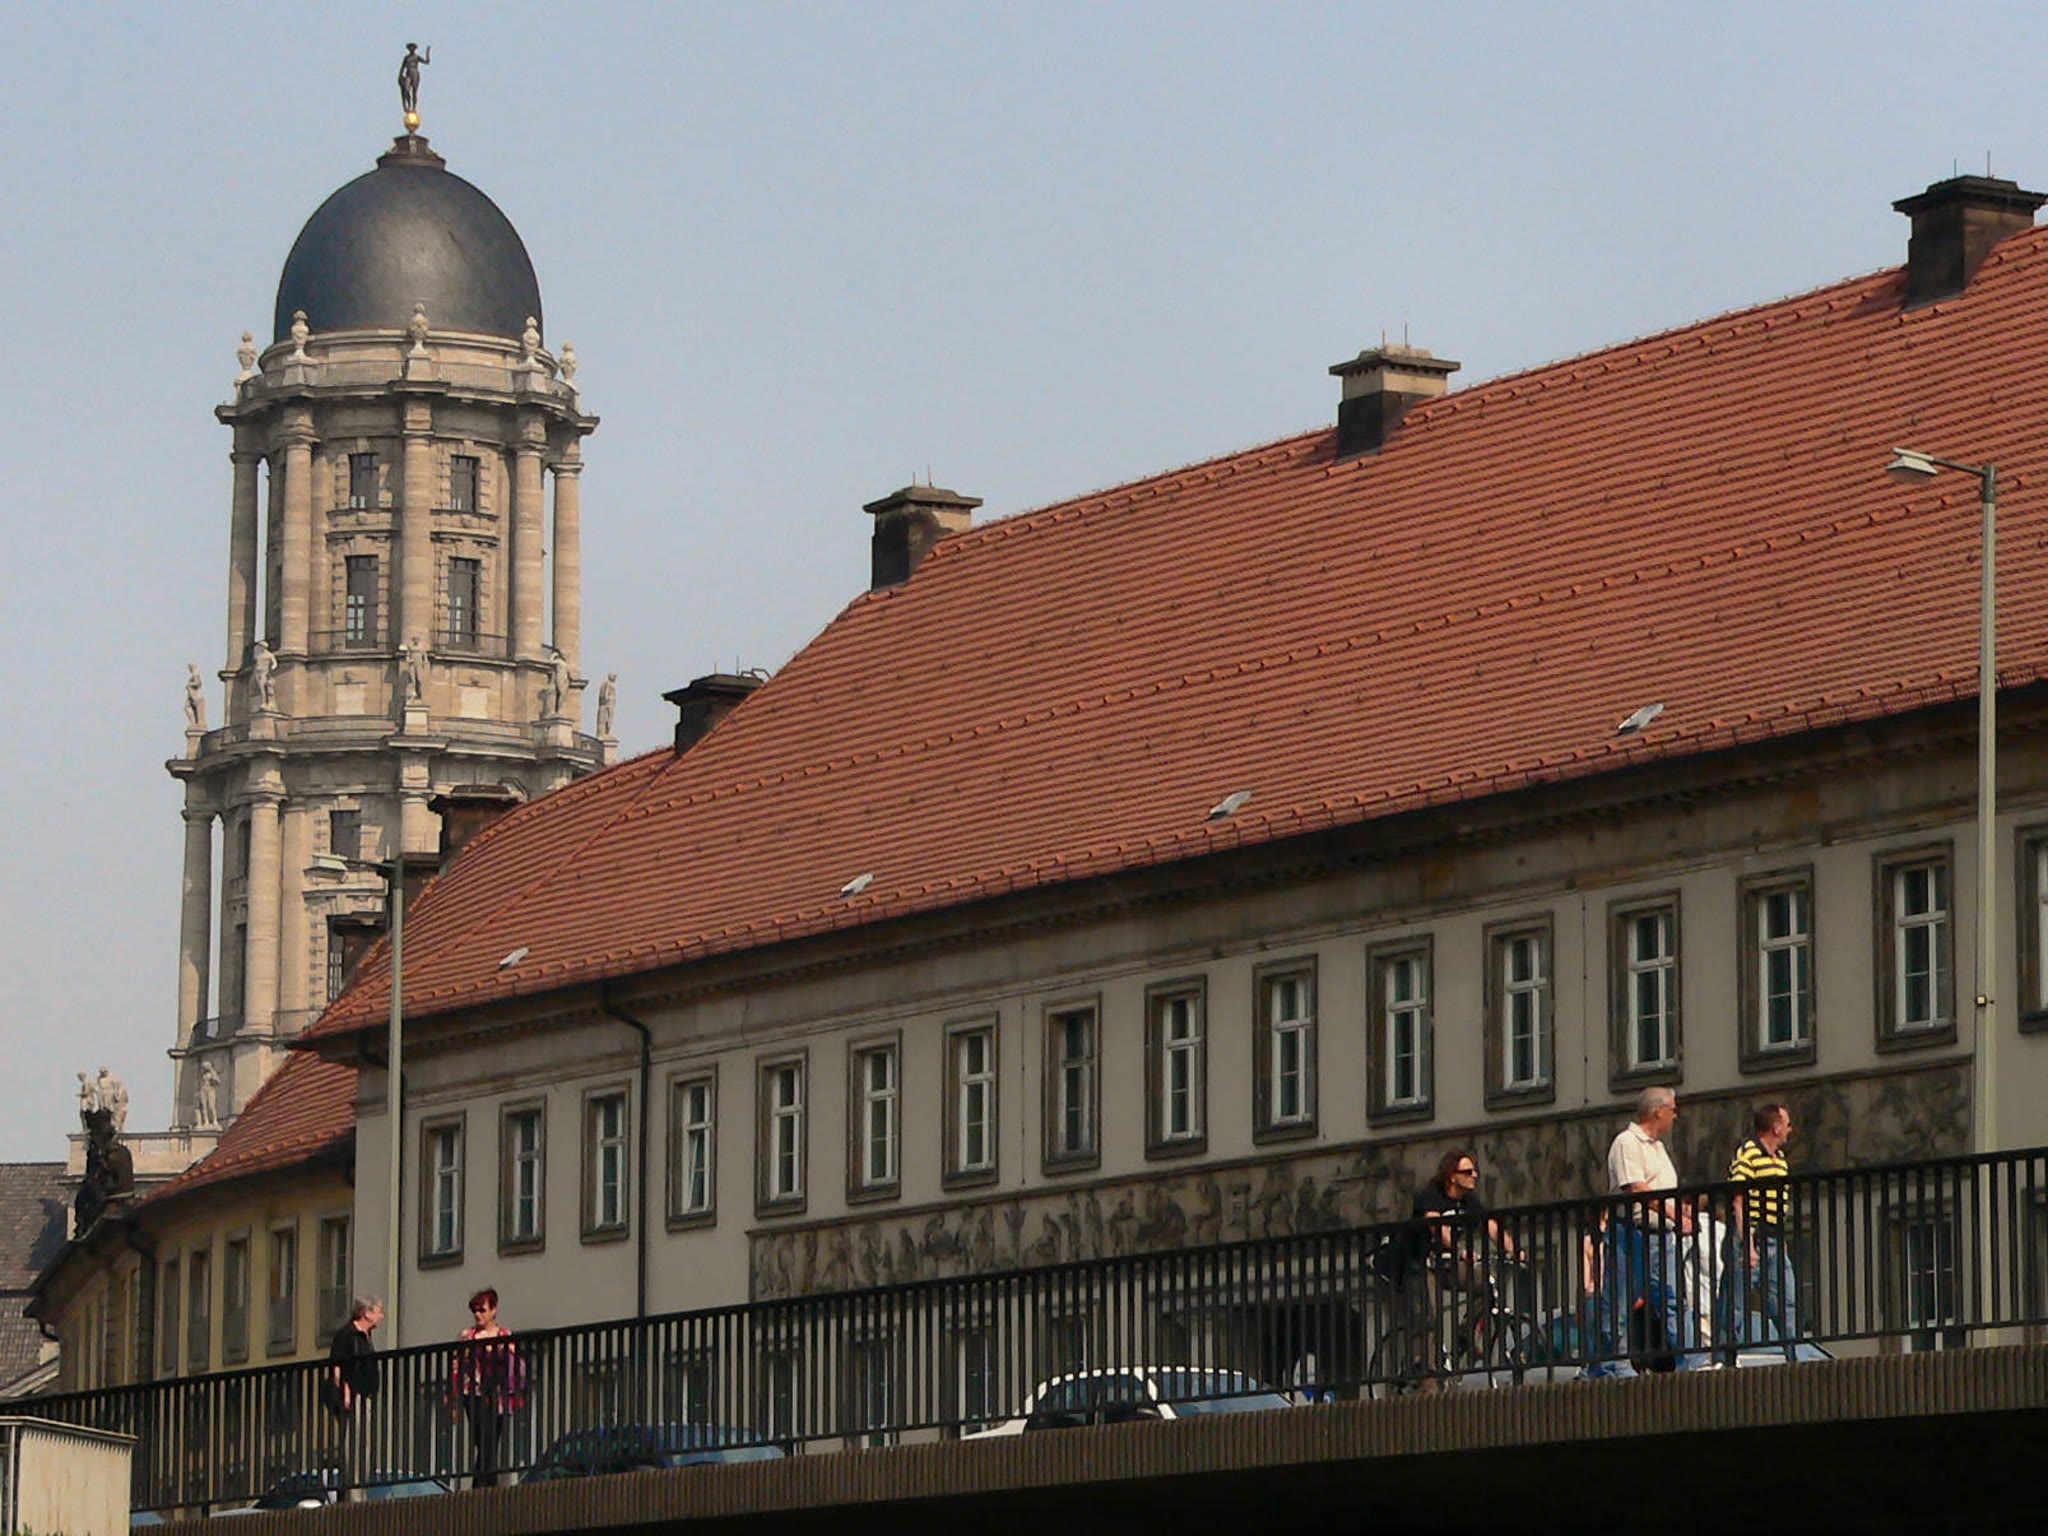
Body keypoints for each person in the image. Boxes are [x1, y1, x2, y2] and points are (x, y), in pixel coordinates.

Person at [1586, 1088, 1709, 1376]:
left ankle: (1691, 1360)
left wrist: (1680, 1214)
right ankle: (1611, 1365)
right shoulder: (1627, 1142)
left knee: (1673, 1299)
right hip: (1631, 1233)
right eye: (1673, 1110)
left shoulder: (1658, 1147)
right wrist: (1673, 1213)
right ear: (1658, 1111)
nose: (1675, 1116)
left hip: (1661, 1235)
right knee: (1619, 1302)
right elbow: (1636, 1188)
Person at [1397, 1150, 1514, 1386]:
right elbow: (1436, 1226)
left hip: (1447, 1265)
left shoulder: (1469, 1202)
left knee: (1486, 1283)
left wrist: (1514, 1250)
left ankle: (1464, 1335)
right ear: (1452, 1176)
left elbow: (1491, 1227)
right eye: (1468, 1172)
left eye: (1475, 1171)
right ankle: (1427, 1378)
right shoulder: (1430, 1196)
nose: (1475, 1175)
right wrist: (1460, 1251)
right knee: (1429, 1318)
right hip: (1421, 1265)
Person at [1719, 1102, 1799, 1363]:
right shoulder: (1748, 1152)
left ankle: (1792, 1357)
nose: (1789, 1130)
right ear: (1776, 1127)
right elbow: (1739, 1199)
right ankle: (1726, 1361)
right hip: (1752, 1235)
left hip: (1774, 1237)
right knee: (1736, 1305)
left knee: (1786, 1300)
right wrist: (1747, 1243)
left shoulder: (1780, 1160)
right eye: (1787, 1124)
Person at [452, 1289, 524, 1487]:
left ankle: (482, 1487)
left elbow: (513, 1364)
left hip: (498, 1395)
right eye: (474, 1311)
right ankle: (486, 1487)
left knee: (491, 1442)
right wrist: (454, 1398)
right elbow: (457, 1367)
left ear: (493, 1310)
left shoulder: (504, 1335)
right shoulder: (467, 1336)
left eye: (482, 1310)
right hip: (473, 1393)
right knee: (483, 1440)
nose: (478, 1315)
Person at [325, 1296, 383, 1497]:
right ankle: (353, 1494)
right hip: (353, 1397)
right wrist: (345, 1394)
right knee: (354, 1446)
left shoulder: (365, 1335)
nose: (381, 1316)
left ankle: (360, 1491)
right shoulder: (347, 1335)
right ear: (366, 1313)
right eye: (378, 1311)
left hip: (365, 1396)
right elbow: (338, 1368)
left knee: (363, 1447)